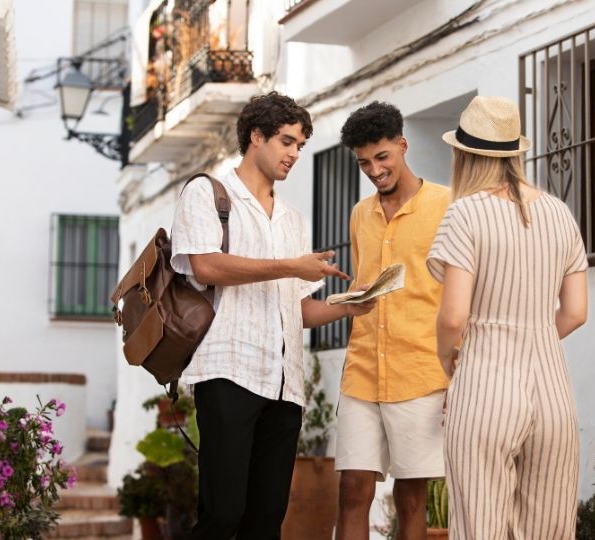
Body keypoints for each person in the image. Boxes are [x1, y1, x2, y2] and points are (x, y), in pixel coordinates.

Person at [170, 91, 375, 540]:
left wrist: (349, 306)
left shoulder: (292, 219)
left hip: (285, 385)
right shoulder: (206, 193)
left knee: (265, 522)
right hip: (228, 373)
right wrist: (291, 266)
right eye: (286, 142)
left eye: (300, 145)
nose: (295, 154)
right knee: (222, 514)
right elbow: (206, 266)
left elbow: (296, 308)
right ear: (255, 136)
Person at [427, 95, 589, 539]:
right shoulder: (559, 213)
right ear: (516, 152)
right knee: (549, 530)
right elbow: (575, 312)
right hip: (553, 391)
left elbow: (454, 316)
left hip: (483, 384)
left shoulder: (464, 213)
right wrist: (533, 335)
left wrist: (447, 358)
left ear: (463, 155)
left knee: (481, 525)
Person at [334, 101, 451, 540]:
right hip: (362, 371)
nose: (374, 170)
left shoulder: (445, 204)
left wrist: (456, 372)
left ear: (402, 146)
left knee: (411, 497)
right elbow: (366, 283)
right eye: (364, 162)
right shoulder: (359, 214)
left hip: (420, 370)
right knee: (352, 487)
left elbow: (459, 293)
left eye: (382, 157)